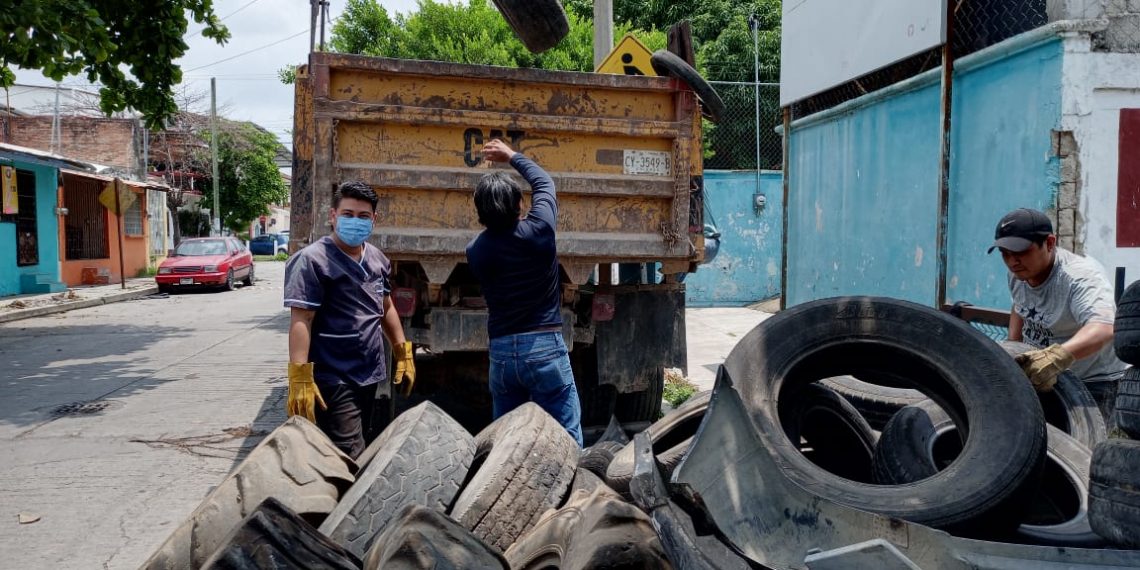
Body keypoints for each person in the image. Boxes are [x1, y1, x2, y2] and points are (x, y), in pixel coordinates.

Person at [283, 180, 416, 459]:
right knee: (349, 452)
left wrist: (402, 351)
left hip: (368, 372)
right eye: (348, 214)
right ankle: (345, 501)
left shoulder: (377, 259)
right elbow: (302, 319)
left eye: (363, 216)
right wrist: (299, 377)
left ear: (374, 220)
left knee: (362, 439)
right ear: (333, 216)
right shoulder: (312, 260)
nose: (355, 221)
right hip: (333, 374)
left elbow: (386, 306)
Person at [465, 139, 584, 447]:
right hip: (544, 346)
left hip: (502, 354)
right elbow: (544, 182)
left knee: (506, 441)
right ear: (519, 204)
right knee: (566, 431)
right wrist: (512, 156)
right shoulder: (540, 230)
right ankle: (576, 489)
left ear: (480, 212)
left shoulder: (476, 251)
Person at [989, 208, 1128, 420]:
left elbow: (1104, 327)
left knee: (1081, 451)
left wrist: (1055, 357)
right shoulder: (1018, 273)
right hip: (1047, 378)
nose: (1012, 261)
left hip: (1095, 381)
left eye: (1020, 252)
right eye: (1005, 254)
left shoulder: (1079, 277)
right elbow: (1019, 306)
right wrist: (1012, 346)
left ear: (1050, 243)